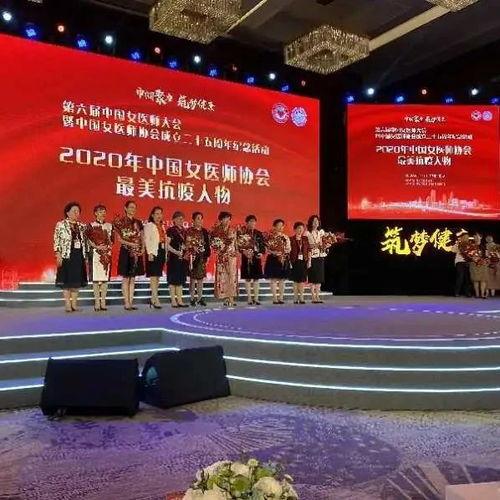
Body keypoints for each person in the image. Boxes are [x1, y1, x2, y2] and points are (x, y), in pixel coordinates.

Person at [54, 202, 88, 313]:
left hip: (78, 256)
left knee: (76, 281)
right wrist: (58, 254)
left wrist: (86, 256)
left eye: (78, 211)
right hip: (66, 255)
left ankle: (74, 304)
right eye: (74, 211)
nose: (76, 213)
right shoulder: (61, 225)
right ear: (67, 212)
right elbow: (57, 241)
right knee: (66, 281)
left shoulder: (82, 226)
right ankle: (68, 304)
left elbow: (85, 242)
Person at [114, 200, 145, 311]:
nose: (133, 209)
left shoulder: (138, 222)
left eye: (134, 207)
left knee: (133, 278)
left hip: (136, 252)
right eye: (131, 207)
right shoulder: (121, 222)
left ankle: (131, 302)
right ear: (125, 208)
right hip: (126, 252)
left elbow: (142, 237)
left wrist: (143, 248)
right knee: (126, 278)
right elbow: (119, 239)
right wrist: (131, 244)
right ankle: (126, 303)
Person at [85, 204, 113, 311]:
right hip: (95, 254)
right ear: (95, 213)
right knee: (96, 279)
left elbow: (112, 240)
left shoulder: (109, 226)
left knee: (105, 279)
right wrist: (96, 246)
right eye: (100, 211)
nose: (103, 213)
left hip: (106, 254)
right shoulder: (91, 225)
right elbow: (88, 239)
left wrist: (107, 246)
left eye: (104, 211)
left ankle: (103, 302)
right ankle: (97, 302)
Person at [212, 211, 238, 307]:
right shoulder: (216, 231)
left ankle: (231, 297)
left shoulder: (233, 230)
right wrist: (218, 248)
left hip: (231, 256)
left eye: (229, 219)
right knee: (223, 277)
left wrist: (236, 251)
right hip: (221, 257)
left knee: (232, 277)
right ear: (221, 220)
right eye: (225, 219)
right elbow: (214, 244)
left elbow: (235, 244)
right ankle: (226, 297)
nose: (227, 221)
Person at [239, 215, 266, 305]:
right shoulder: (242, 233)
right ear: (246, 223)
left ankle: (256, 298)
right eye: (250, 221)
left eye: (254, 221)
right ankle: (249, 298)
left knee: (256, 279)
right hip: (246, 257)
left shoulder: (258, 233)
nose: (253, 223)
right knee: (247, 278)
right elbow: (239, 246)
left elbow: (262, 246)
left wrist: (261, 253)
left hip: (256, 258)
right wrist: (243, 251)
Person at [186, 212, 211, 307]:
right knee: (192, 279)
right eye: (198, 218)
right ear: (193, 220)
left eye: (201, 218)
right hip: (193, 257)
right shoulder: (189, 231)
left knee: (200, 279)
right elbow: (187, 243)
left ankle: (200, 298)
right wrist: (193, 247)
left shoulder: (204, 231)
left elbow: (207, 245)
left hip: (202, 257)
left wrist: (207, 256)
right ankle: (192, 298)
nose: (200, 220)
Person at [264, 219, 291, 304]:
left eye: (282, 226)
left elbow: (289, 249)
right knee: (273, 279)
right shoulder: (270, 237)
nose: (280, 227)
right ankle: (275, 298)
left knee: (282, 279)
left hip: (283, 259)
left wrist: (283, 251)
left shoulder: (285, 237)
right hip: (273, 258)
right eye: (278, 225)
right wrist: (273, 252)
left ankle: (281, 298)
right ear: (274, 226)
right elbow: (266, 249)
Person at [144, 206, 166, 309]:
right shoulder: (149, 225)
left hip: (161, 251)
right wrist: (149, 253)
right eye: (157, 214)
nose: (159, 216)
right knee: (153, 276)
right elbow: (147, 240)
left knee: (157, 276)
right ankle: (155, 299)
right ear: (152, 215)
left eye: (160, 213)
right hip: (153, 251)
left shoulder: (162, 226)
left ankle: (153, 299)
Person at [306, 215, 331, 304]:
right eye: (314, 221)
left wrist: (327, 245)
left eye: (317, 221)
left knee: (319, 278)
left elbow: (325, 242)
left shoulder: (321, 232)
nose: (316, 223)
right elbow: (307, 246)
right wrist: (316, 245)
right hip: (312, 256)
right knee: (313, 278)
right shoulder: (307, 233)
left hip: (320, 256)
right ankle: (313, 297)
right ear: (311, 222)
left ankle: (318, 296)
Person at [166, 211, 188, 308]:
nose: (181, 220)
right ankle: (173, 300)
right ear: (174, 220)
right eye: (179, 218)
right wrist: (176, 252)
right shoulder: (171, 230)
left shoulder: (185, 231)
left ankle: (180, 300)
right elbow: (167, 245)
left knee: (180, 280)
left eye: (182, 218)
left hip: (182, 259)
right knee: (173, 280)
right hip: (173, 258)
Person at [289, 222, 311, 304]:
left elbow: (309, 250)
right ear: (295, 229)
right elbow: (288, 251)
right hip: (294, 261)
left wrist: (309, 261)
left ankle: (301, 297)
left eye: (302, 228)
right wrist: (289, 262)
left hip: (303, 261)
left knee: (302, 281)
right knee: (295, 281)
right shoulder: (291, 239)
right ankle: (295, 298)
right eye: (299, 228)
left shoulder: (305, 239)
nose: (300, 230)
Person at [452, 230, 473, 297]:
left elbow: (473, 253)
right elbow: (453, 250)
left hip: (468, 262)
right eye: (465, 237)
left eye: (467, 237)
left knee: (467, 278)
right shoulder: (458, 244)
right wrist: (457, 245)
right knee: (460, 277)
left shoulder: (470, 244)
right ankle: (456, 292)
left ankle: (468, 293)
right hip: (459, 261)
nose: (466, 238)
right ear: (461, 238)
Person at [469, 232, 489, 299]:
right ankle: (477, 294)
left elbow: (486, 255)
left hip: (483, 263)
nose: (476, 238)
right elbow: (469, 255)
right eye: (475, 236)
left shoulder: (484, 246)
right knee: (475, 280)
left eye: (477, 236)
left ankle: (482, 294)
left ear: (481, 237)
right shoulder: (471, 245)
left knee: (483, 279)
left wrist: (485, 260)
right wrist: (473, 258)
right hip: (474, 264)